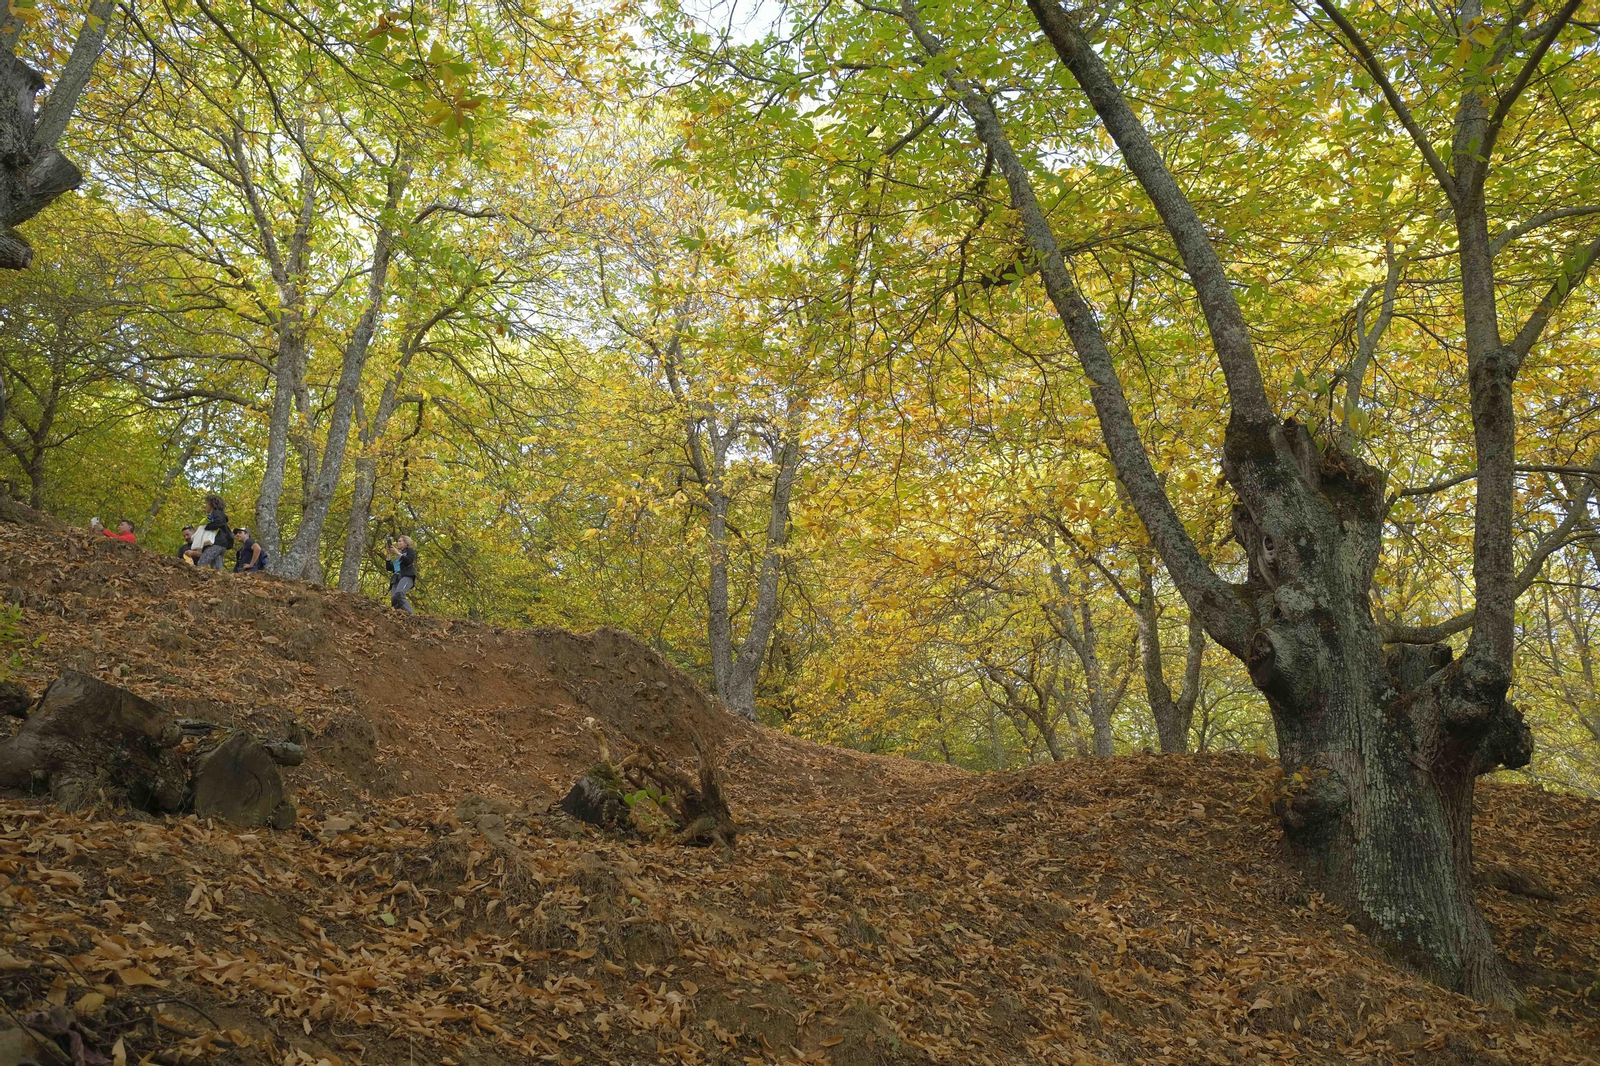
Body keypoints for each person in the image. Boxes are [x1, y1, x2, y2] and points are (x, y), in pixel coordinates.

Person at [196, 494, 233, 570]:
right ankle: (222, 580)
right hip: (222, 545)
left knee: (201, 563)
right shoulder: (220, 514)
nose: (205, 506)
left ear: (211, 504)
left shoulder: (216, 512)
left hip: (216, 543)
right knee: (217, 568)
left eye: (207, 504)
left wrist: (207, 527)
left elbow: (218, 522)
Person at [385, 535, 418, 614]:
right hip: (396, 579)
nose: (398, 543)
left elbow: (408, 561)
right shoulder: (397, 557)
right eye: (398, 541)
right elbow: (389, 567)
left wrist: (397, 552)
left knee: (399, 593)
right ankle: (400, 618)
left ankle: (411, 615)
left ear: (406, 543)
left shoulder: (409, 551)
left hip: (406, 576)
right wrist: (389, 554)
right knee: (394, 600)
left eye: (400, 541)